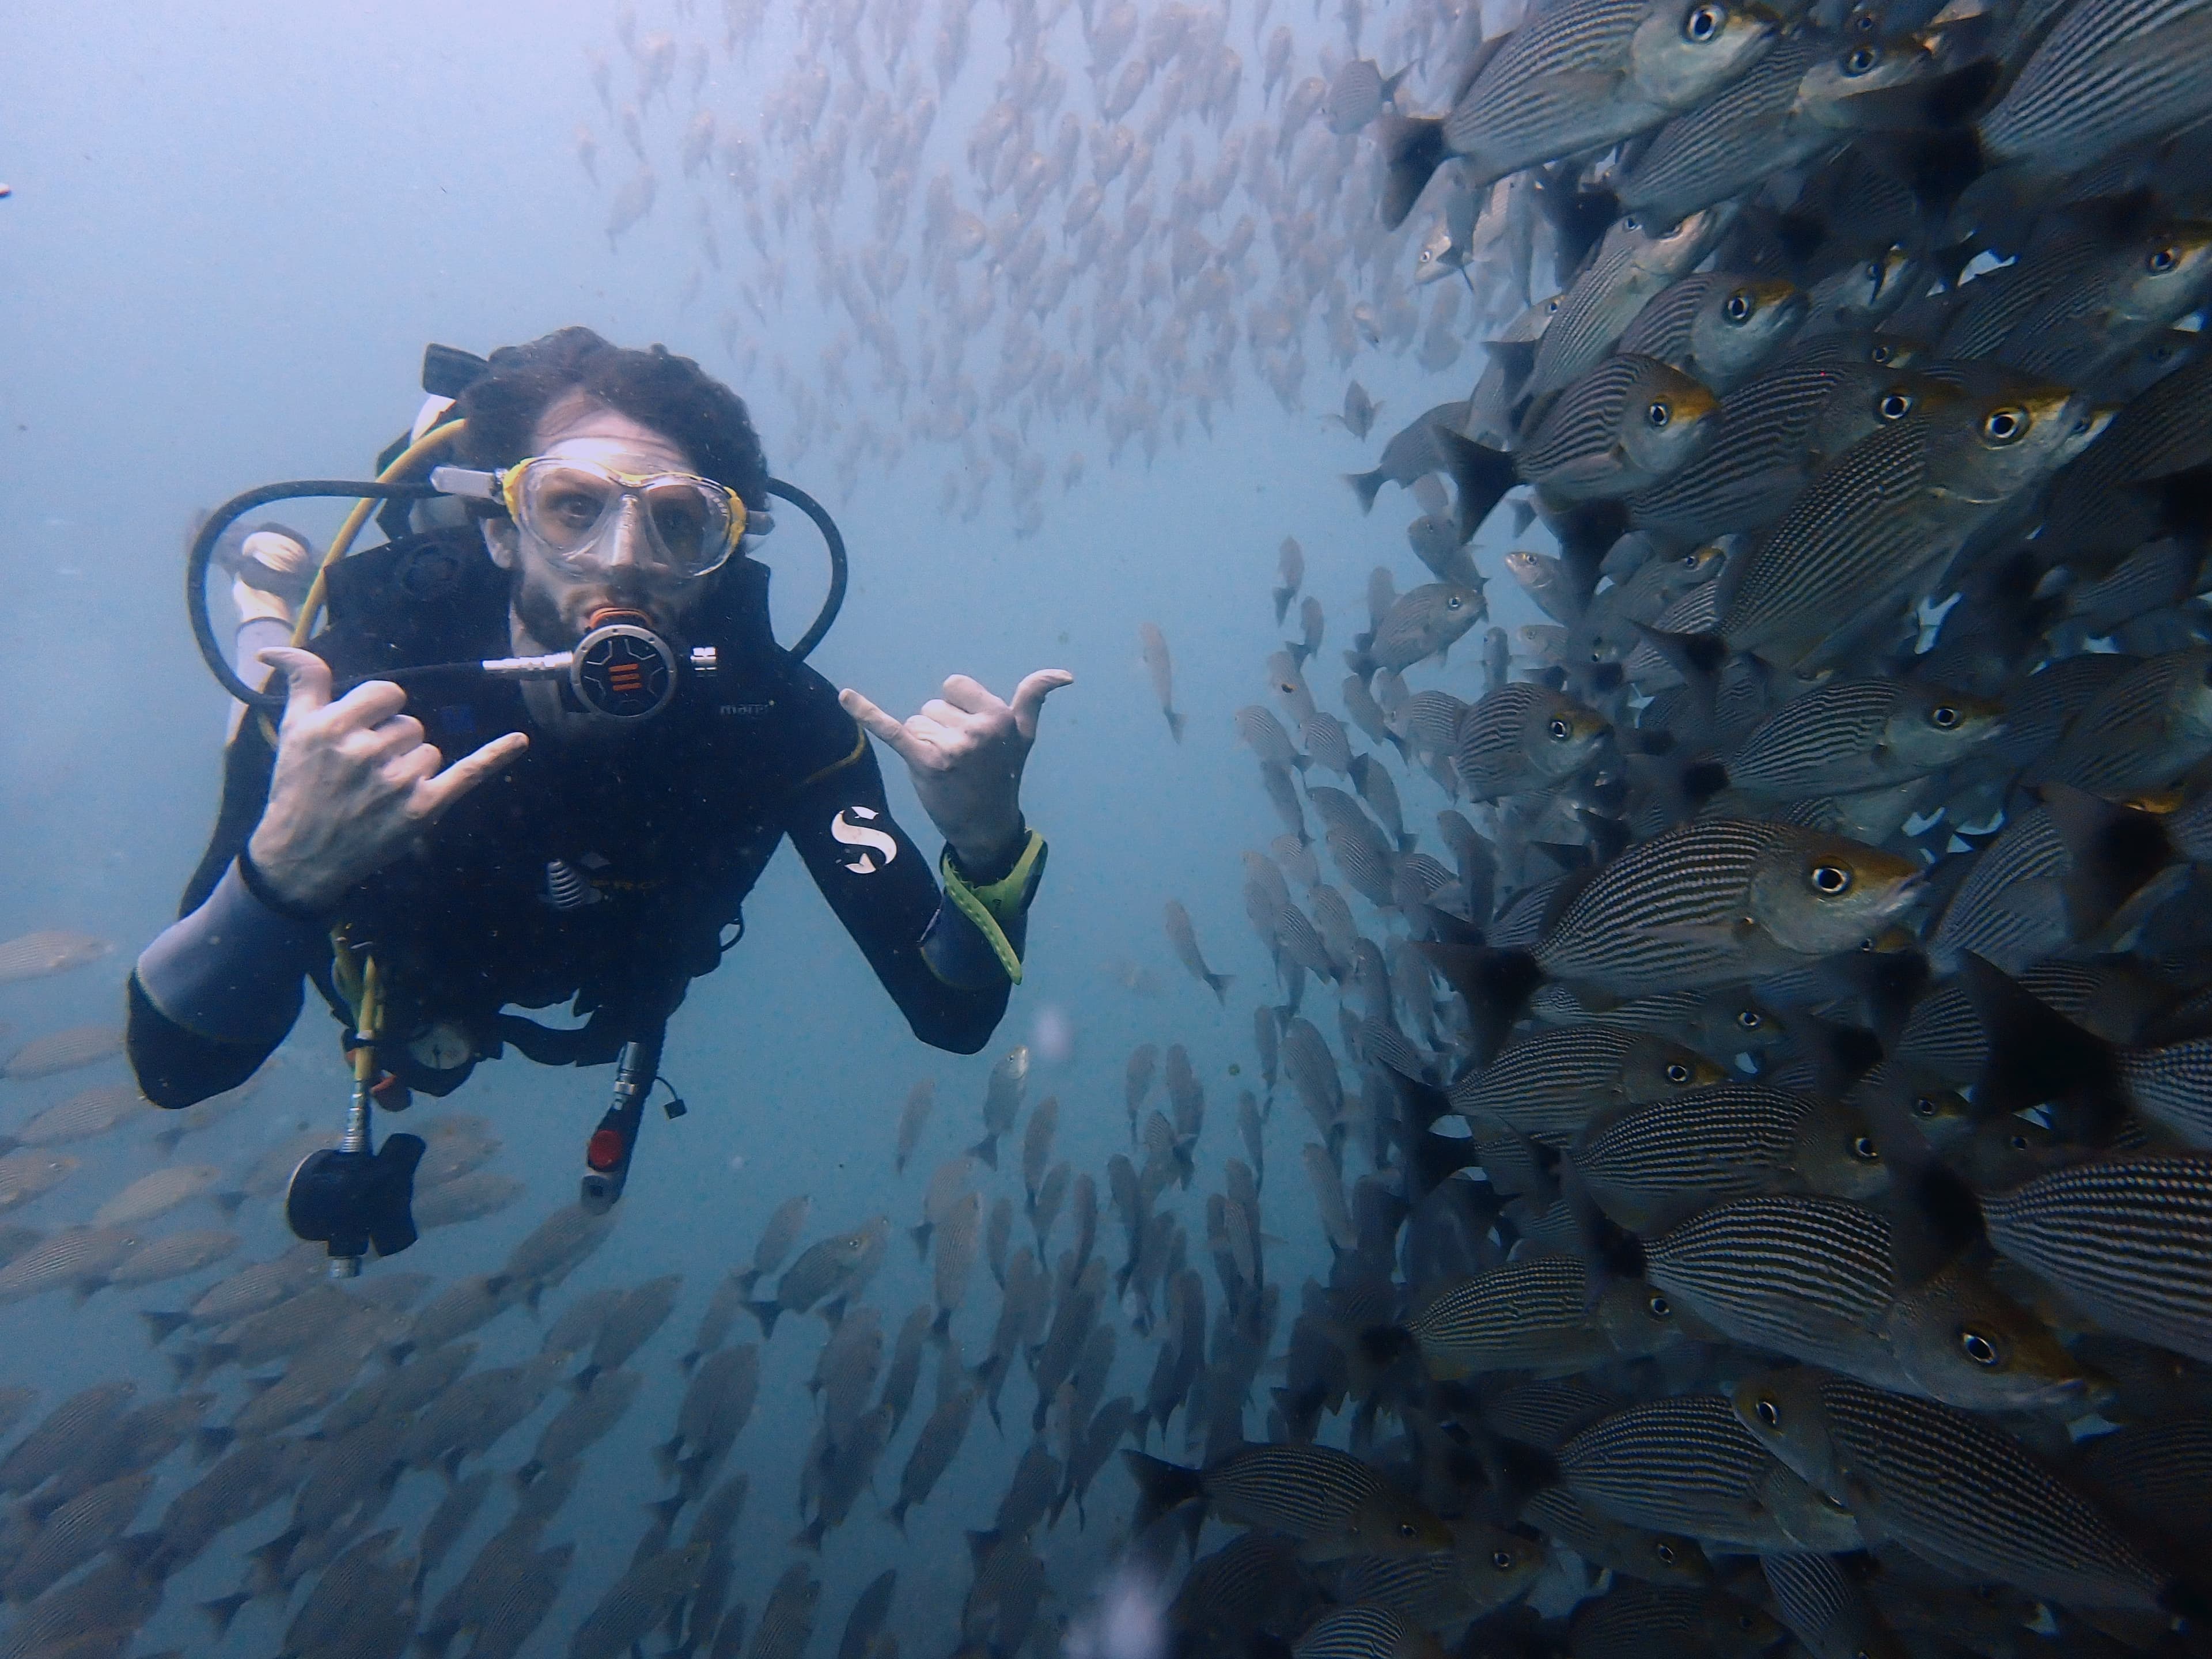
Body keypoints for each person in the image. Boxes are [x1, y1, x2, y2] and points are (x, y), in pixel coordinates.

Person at [130, 327, 1071, 1114]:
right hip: (402, 969)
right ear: (500, 530)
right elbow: (176, 1069)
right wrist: (283, 875)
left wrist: (988, 849)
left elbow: (952, 1015)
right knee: (274, 674)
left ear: (718, 554)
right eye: (571, 507)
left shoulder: (775, 718)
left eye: (678, 521)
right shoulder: (359, 696)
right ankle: (268, 591)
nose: (622, 558)